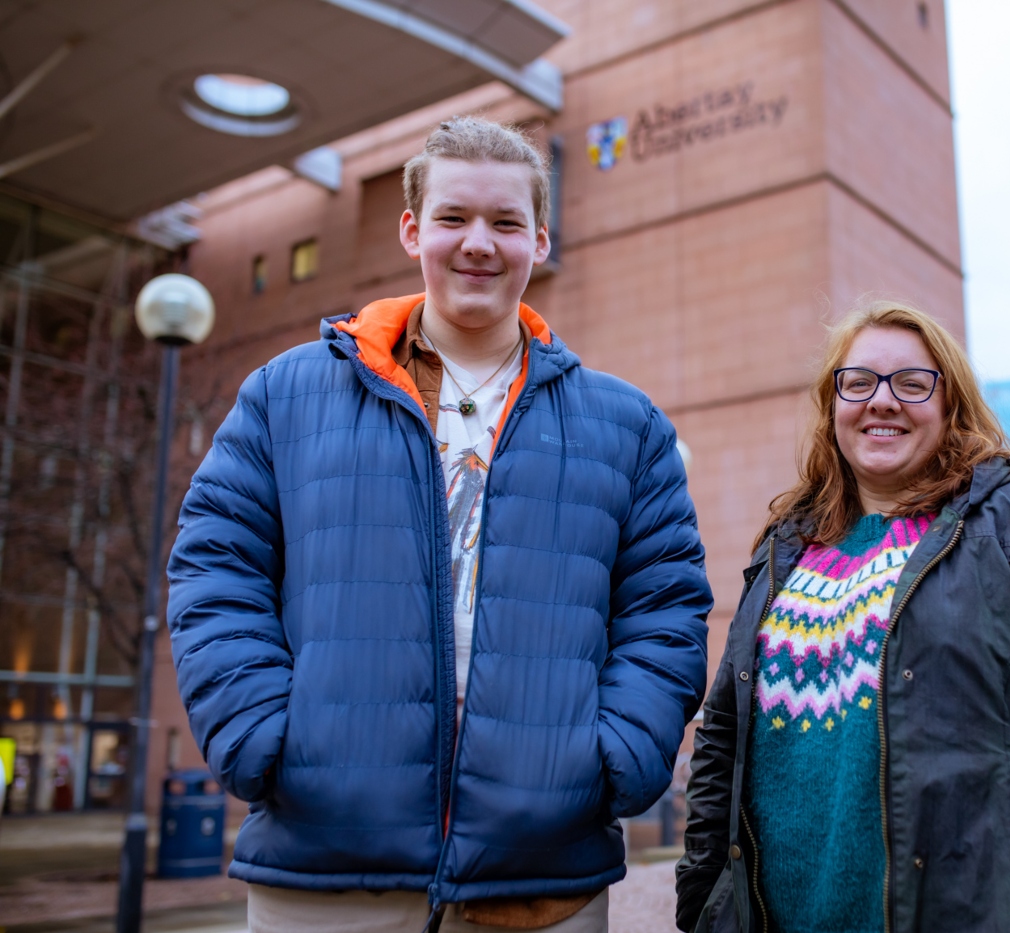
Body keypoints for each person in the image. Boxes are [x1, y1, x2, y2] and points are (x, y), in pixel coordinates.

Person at [167, 116, 712, 933]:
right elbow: (215, 569)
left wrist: (612, 760)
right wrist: (264, 739)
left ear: (540, 237)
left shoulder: (626, 426)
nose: (478, 244)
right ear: (412, 230)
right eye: (454, 219)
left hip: (541, 876)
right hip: (322, 869)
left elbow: (664, 610)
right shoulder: (286, 396)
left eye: (505, 222)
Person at [676, 301, 1010, 933]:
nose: (881, 401)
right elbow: (723, 733)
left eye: (912, 383)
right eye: (857, 382)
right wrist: (702, 904)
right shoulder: (784, 546)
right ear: (833, 404)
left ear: (951, 404)